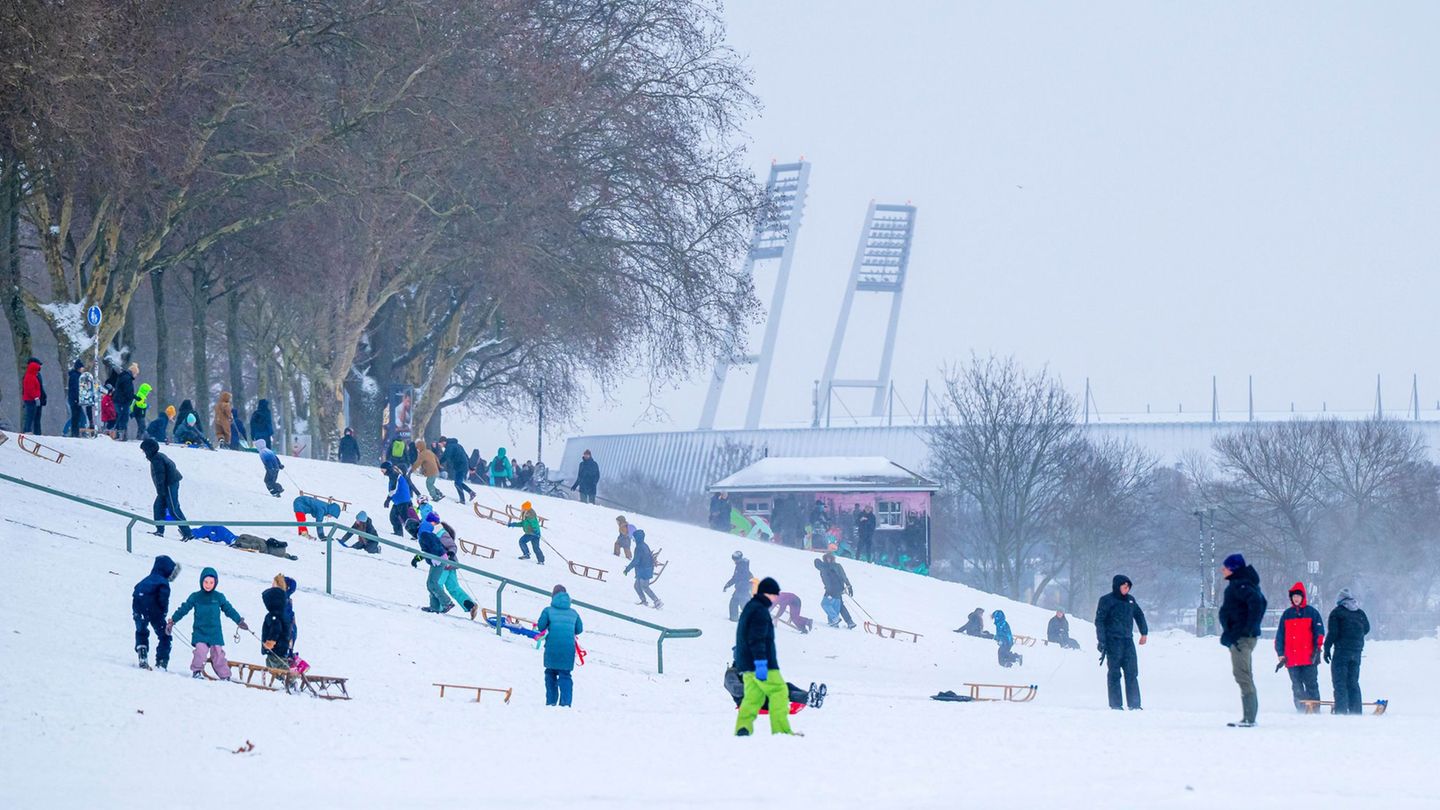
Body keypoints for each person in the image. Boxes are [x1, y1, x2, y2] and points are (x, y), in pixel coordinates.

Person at [734, 577, 793, 736]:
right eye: (774, 595)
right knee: (779, 691)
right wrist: (761, 663)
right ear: (768, 594)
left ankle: (743, 728)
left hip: (746, 664)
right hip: (761, 663)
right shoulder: (760, 611)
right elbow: (756, 639)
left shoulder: (750, 607)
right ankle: (781, 731)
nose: (776, 598)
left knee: (753, 698)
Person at [167, 566, 247, 680]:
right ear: (201, 581)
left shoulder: (218, 597)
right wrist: (173, 620)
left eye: (211, 582)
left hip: (215, 632)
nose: (208, 585)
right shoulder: (195, 596)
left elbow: (229, 609)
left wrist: (239, 620)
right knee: (201, 651)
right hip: (200, 632)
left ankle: (225, 675)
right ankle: (197, 671)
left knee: (218, 653)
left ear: (215, 583)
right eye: (206, 582)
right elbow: (184, 609)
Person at [1218, 553, 1267, 727]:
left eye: (1225, 567)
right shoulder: (1240, 584)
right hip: (1238, 637)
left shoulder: (1241, 585)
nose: (1222, 570)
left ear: (1233, 569)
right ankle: (1248, 716)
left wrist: (1245, 629)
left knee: (1242, 675)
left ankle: (1249, 717)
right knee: (1243, 674)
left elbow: (1258, 603)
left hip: (1241, 638)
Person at [1095, 574, 1148, 710]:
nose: (1127, 589)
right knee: (1114, 673)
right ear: (1117, 586)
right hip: (1113, 642)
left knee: (1132, 672)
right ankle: (1116, 704)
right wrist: (1102, 640)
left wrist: (1144, 632)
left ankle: (1135, 704)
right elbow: (1099, 621)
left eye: (1128, 587)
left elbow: (1139, 615)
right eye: (1124, 586)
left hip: (1127, 641)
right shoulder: (1106, 600)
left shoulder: (1131, 601)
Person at [1275, 582, 1325, 712]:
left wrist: (1317, 648)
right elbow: (1280, 636)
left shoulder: (1312, 613)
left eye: (1298, 596)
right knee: (1296, 686)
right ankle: (1301, 709)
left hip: (1309, 657)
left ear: (1303, 597)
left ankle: (1315, 709)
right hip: (1291, 658)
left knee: (1311, 684)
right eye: (1294, 596)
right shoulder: (1287, 614)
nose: (1296, 598)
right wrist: (1280, 653)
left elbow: (1319, 633)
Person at [1324, 588, 1371, 715]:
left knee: (1340, 683)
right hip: (1356, 652)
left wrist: (1327, 648)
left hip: (1341, 652)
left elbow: (1333, 632)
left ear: (1340, 601)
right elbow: (1366, 628)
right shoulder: (1359, 612)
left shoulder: (1337, 613)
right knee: (1353, 682)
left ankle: (1341, 712)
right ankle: (1356, 711)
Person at [537, 584, 584, 707]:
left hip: (552, 647)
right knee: (565, 675)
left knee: (550, 673)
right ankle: (565, 703)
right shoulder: (574, 613)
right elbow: (579, 629)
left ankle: (551, 702)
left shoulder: (548, 610)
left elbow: (541, 627)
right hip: (568, 649)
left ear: (553, 596)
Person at [132, 554, 181, 670]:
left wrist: (137, 613)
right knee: (165, 636)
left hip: (138, 610)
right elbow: (163, 598)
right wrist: (163, 613)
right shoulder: (163, 582)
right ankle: (161, 662)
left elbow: (136, 593)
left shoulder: (144, 581)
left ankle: (142, 654)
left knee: (141, 632)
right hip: (155, 612)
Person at [141, 437, 194, 540]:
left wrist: (161, 492)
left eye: (144, 450)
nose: (143, 453)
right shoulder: (157, 457)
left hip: (170, 484)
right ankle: (159, 530)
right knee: (158, 507)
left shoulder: (157, 459)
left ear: (149, 449)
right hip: (166, 486)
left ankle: (187, 533)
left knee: (173, 509)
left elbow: (161, 476)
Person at [435, 517, 478, 619]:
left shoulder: (442, 534)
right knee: (453, 587)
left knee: (438, 584)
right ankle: (470, 605)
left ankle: (440, 606)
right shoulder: (442, 534)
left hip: (445, 564)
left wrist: (448, 556)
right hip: (450, 564)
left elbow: (452, 547)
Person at [815, 552, 857, 630]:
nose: (828, 559)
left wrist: (848, 585)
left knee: (826, 604)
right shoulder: (824, 567)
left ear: (832, 558)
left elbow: (843, 576)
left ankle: (835, 619)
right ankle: (847, 622)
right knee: (838, 605)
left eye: (830, 558)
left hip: (834, 589)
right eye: (827, 558)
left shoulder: (836, 566)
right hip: (834, 589)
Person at [624, 528, 662, 608]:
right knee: (637, 586)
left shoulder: (639, 548)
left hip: (644, 571)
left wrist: (627, 569)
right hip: (643, 570)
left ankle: (657, 601)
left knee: (644, 587)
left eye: (634, 538)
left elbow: (636, 561)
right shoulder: (644, 545)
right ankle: (644, 601)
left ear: (637, 538)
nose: (633, 539)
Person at [382, 461, 414, 536]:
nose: (382, 472)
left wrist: (388, 499)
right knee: (393, 516)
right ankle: (398, 533)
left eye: (383, 470)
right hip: (399, 501)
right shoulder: (392, 474)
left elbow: (393, 489)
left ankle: (416, 534)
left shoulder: (394, 475)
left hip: (403, 501)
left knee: (406, 520)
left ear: (387, 469)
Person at [440, 436, 475, 503]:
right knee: (458, 482)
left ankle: (462, 500)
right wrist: (470, 467)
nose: (441, 446)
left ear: (444, 442)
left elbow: (446, 456)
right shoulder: (458, 445)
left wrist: (438, 462)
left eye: (441, 444)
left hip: (460, 466)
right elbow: (466, 455)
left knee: (457, 483)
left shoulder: (449, 446)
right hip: (463, 465)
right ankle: (471, 492)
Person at [724, 550, 752, 621]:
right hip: (742, 588)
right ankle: (735, 618)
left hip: (743, 589)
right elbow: (736, 577)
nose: (734, 561)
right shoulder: (742, 565)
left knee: (737, 603)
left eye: (734, 559)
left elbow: (737, 578)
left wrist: (742, 585)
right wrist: (728, 584)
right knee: (737, 603)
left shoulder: (741, 566)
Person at [21, 357, 46, 434]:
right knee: (30, 416)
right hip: (32, 399)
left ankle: (35, 431)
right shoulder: (31, 376)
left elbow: (39, 387)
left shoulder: (34, 375)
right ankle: (28, 430)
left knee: (34, 416)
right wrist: (36, 397)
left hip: (35, 398)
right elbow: (30, 388)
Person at [113, 362, 137, 441]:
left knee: (120, 417)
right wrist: (132, 397)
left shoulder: (123, 376)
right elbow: (127, 391)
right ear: (133, 372)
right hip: (123, 402)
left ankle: (118, 434)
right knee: (123, 418)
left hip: (118, 400)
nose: (136, 376)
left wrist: (134, 396)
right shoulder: (127, 378)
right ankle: (121, 435)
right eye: (136, 374)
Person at [66, 359, 84, 438]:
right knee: (75, 416)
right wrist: (77, 398)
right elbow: (75, 389)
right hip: (75, 399)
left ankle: (75, 432)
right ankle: (74, 433)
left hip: (74, 399)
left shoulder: (75, 376)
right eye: (82, 367)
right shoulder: (76, 376)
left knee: (76, 416)